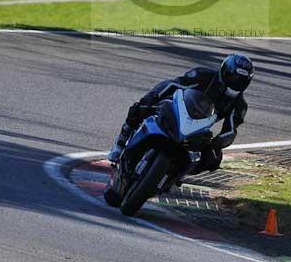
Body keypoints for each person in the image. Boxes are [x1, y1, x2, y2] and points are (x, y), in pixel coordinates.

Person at [107, 53, 254, 174]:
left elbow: (230, 130)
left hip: (199, 128)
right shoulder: (203, 75)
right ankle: (121, 142)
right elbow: (173, 85)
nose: (236, 83)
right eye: (234, 77)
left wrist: (217, 143)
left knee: (213, 160)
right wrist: (153, 99)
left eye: (242, 80)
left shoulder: (239, 105)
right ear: (225, 71)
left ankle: (174, 176)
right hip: (176, 109)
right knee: (138, 109)